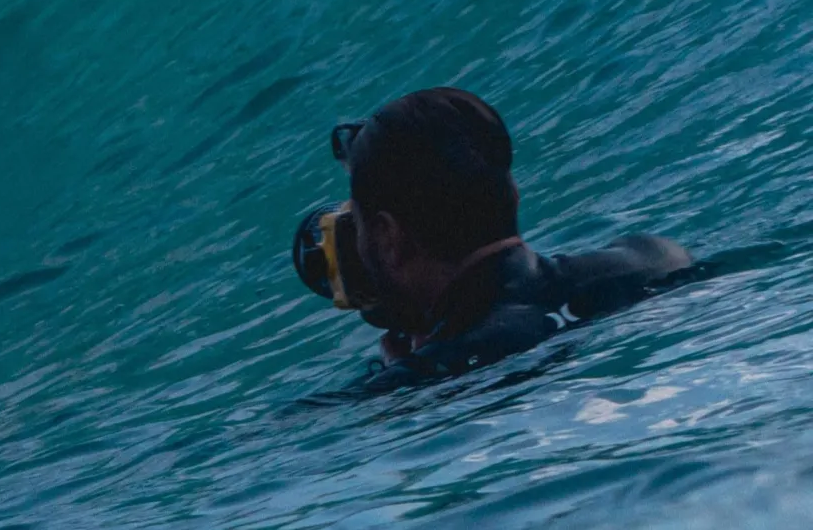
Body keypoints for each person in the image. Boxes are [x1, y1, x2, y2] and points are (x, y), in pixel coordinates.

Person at [290, 87, 696, 390]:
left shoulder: (430, 377)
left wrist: (409, 381)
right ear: (514, 194)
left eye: (360, 227)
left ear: (388, 237)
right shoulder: (653, 258)